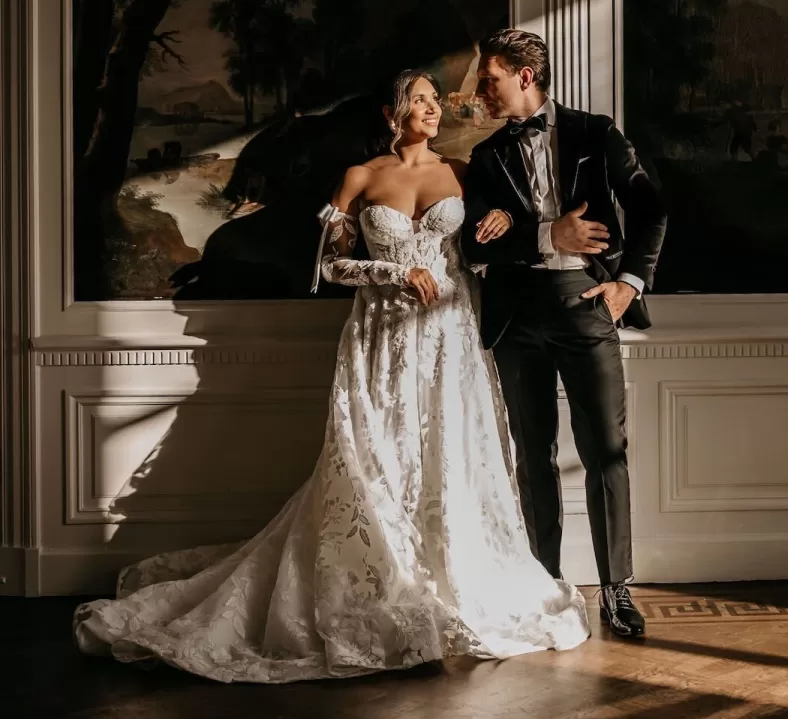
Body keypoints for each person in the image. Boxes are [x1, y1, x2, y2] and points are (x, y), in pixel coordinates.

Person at [73, 70, 589, 681]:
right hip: (380, 338)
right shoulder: (361, 177)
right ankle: (381, 592)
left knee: (446, 456)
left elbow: (486, 240)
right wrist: (393, 274)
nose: (432, 107)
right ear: (392, 111)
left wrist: (500, 220)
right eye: (419, 100)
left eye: (433, 99)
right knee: (380, 458)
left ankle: (443, 581)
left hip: (450, 338)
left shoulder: (461, 171)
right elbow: (331, 268)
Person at [461, 29, 666, 639]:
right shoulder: (485, 157)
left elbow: (651, 206)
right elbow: (470, 243)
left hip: (584, 303)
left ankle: (615, 590)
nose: (481, 91)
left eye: (490, 78)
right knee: (534, 456)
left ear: (526, 75)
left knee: (606, 450)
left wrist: (631, 280)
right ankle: (542, 585)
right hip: (516, 315)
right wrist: (547, 235)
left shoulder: (593, 133)